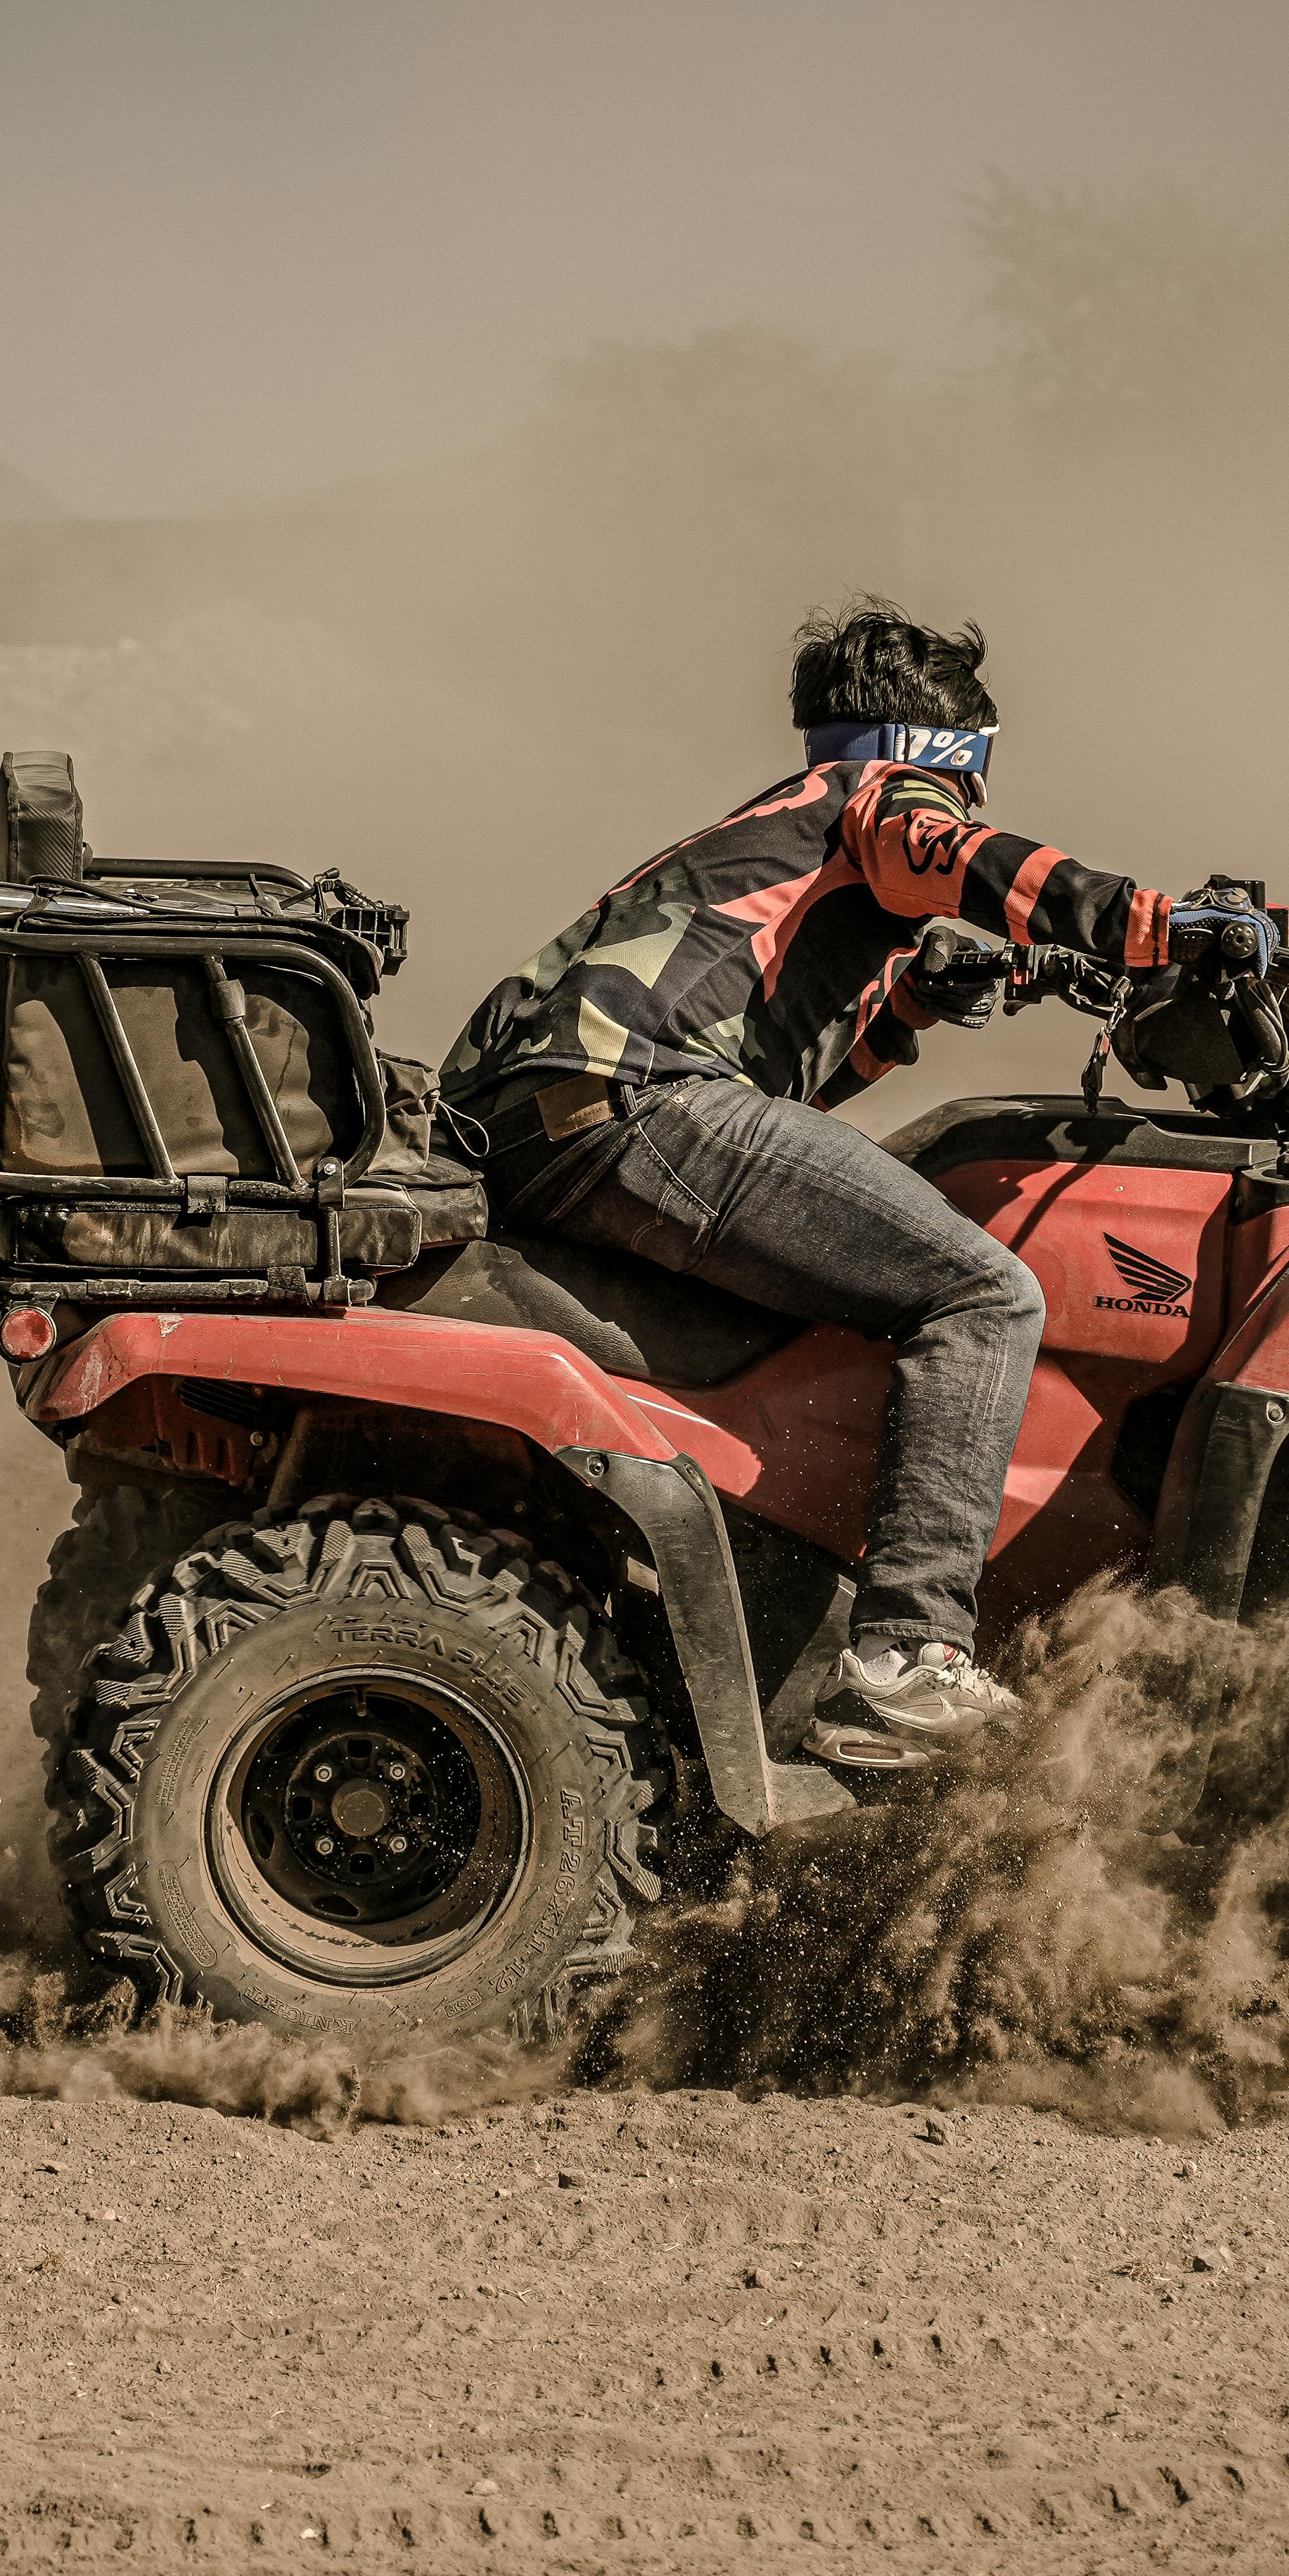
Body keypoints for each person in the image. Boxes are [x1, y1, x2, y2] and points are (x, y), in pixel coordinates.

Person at [436, 600, 1185, 1770]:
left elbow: (777, 1092)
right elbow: (964, 857)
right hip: (632, 1098)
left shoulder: (772, 830)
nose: (967, 812)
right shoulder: (879, 801)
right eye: (969, 787)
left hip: (546, 1114)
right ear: (943, 758)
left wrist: (910, 1006)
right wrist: (1163, 928)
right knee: (986, 1295)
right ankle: (905, 1662)